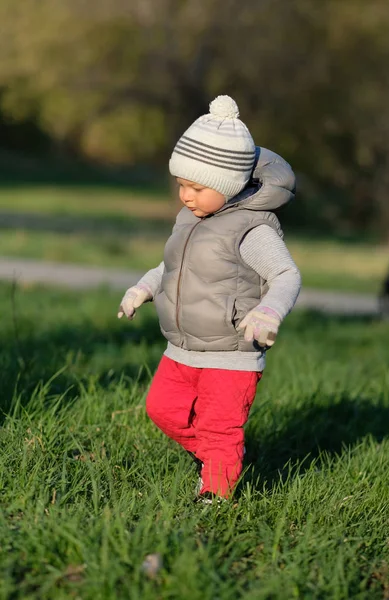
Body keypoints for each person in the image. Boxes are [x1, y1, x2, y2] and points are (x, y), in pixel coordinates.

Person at [118, 95, 301, 502]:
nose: (185, 195)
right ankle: (222, 458)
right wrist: (144, 288)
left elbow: (286, 274)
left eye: (197, 187)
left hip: (230, 354)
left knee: (220, 426)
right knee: (162, 410)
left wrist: (269, 311)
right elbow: (172, 268)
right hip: (181, 348)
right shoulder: (190, 219)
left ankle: (215, 497)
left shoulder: (251, 230)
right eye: (182, 184)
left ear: (228, 185)